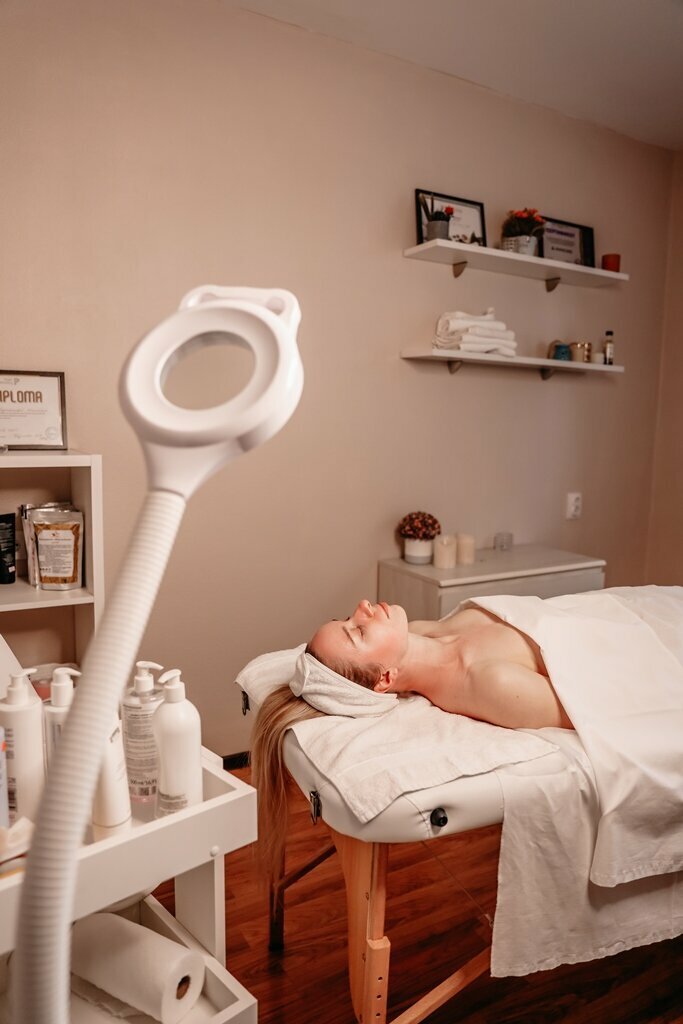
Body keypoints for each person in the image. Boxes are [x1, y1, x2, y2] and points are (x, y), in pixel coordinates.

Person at [251, 598, 572, 878]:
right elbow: (589, 701)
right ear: (385, 679)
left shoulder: (421, 631)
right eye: (359, 631)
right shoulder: (490, 683)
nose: (362, 607)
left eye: (347, 619)